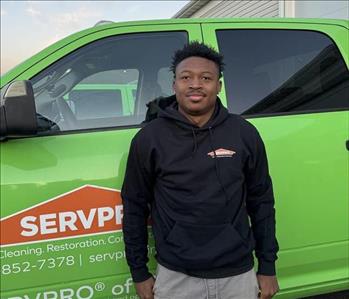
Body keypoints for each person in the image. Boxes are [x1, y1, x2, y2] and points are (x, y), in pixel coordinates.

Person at [121, 42, 279, 299]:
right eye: (186, 77)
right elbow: (134, 206)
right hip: (176, 275)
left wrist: (268, 266)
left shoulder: (244, 133)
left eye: (206, 78)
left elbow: (261, 201)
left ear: (219, 85)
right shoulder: (149, 138)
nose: (195, 84)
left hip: (237, 273)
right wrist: (138, 271)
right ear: (174, 85)